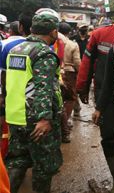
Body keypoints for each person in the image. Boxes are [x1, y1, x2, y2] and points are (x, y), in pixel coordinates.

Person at [4, 13, 63, 193]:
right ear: (54, 32)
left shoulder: (16, 49)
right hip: (36, 120)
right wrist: (45, 118)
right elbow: (43, 87)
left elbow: (7, 80)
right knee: (44, 166)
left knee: (18, 160)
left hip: (15, 116)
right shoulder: (43, 53)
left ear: (31, 29)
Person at [76, 1, 114, 193]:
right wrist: (82, 87)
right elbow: (87, 62)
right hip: (105, 96)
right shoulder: (100, 35)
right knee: (109, 136)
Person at [58, 22, 81, 143]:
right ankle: (65, 122)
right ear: (69, 32)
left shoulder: (52, 40)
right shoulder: (72, 44)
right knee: (71, 98)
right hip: (69, 73)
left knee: (58, 99)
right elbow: (77, 62)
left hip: (56, 72)